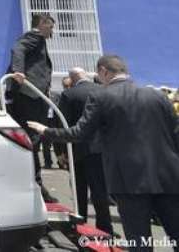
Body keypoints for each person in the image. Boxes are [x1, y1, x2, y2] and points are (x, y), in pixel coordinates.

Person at [29, 55, 179, 250]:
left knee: (139, 241)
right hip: (168, 177)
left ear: (104, 72)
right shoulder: (158, 95)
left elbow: (79, 133)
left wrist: (46, 131)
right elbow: (176, 135)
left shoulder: (102, 97)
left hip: (128, 181)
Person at [54, 67, 113, 234]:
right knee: (100, 192)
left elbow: (62, 123)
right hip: (101, 149)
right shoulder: (103, 90)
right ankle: (105, 228)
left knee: (80, 190)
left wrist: (60, 152)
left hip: (77, 149)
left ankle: (81, 225)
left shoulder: (69, 94)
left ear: (72, 79)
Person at [7, 13, 56, 202]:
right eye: (50, 27)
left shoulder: (38, 40)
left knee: (31, 140)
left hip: (32, 95)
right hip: (29, 95)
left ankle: (35, 184)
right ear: (42, 25)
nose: (51, 31)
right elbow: (18, 48)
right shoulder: (35, 36)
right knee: (32, 139)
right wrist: (18, 70)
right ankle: (35, 185)